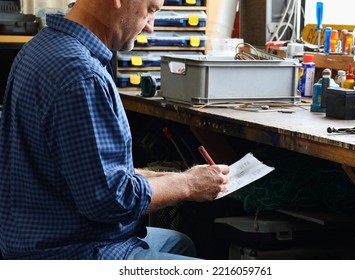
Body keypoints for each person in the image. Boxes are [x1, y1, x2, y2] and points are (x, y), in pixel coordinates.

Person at [0, 0, 230, 260]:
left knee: (180, 243)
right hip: (72, 251)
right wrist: (188, 185)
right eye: (150, 11)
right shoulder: (82, 75)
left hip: (36, 236)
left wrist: (159, 177)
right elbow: (112, 201)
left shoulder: (40, 47)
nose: (151, 28)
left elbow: (83, 170)